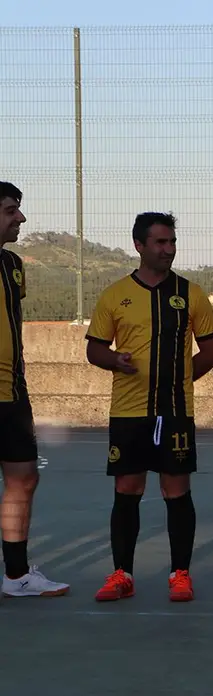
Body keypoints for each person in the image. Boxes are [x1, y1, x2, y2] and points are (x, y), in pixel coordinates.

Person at [85, 212, 213, 603]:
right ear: (139, 246)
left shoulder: (190, 293)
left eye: (172, 242)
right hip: (128, 411)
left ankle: (180, 574)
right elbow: (95, 348)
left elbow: (212, 351)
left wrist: (178, 380)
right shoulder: (115, 295)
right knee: (127, 489)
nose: (168, 250)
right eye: (160, 243)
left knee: (176, 490)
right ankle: (121, 574)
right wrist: (114, 360)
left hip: (175, 410)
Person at [0, 181, 70, 598]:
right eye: (11, 210)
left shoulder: (13, 265)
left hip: (11, 392)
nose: (21, 218)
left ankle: (16, 575)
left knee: (23, 479)